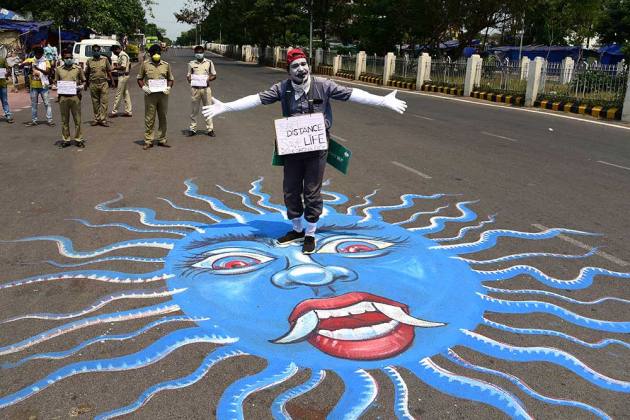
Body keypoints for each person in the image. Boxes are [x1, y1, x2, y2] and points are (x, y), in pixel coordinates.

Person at [202, 48, 407, 254]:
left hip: (317, 146)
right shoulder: (282, 89)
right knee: (290, 189)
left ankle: (310, 233)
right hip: (291, 146)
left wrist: (382, 101)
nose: (301, 69)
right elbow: (256, 99)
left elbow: (353, 94)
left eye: (303, 64)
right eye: (295, 66)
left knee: (311, 190)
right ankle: (297, 229)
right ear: (288, 70)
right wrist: (227, 107)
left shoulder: (323, 86)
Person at [137, 44, 174, 150]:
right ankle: (148, 140)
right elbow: (139, 78)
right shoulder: (145, 65)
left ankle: (162, 139)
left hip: (163, 95)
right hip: (150, 95)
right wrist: (143, 87)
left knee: (163, 117)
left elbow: (171, 79)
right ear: (151, 54)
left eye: (158, 53)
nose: (156, 55)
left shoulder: (166, 65)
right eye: (154, 53)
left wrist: (169, 87)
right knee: (149, 118)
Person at [55, 48, 86, 148]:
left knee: (77, 120)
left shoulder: (78, 69)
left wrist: (81, 86)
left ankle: (78, 139)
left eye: (70, 57)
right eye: (67, 58)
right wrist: (54, 86)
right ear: (63, 59)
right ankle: (66, 139)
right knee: (64, 120)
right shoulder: (58, 69)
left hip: (75, 97)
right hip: (63, 98)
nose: (69, 59)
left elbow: (84, 81)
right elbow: (56, 82)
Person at [186, 45, 216, 137]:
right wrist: (189, 79)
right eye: (197, 52)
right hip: (195, 89)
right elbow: (189, 76)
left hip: (206, 89)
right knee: (194, 110)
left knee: (208, 109)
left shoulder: (209, 62)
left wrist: (208, 79)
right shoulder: (191, 64)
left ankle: (210, 129)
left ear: (203, 52)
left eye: (200, 52)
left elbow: (214, 75)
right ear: (194, 53)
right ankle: (193, 129)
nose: (199, 54)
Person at [20, 46, 54, 126]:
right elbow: (20, 66)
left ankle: (50, 120)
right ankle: (34, 120)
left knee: (47, 103)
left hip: (43, 86)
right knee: (34, 104)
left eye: (40, 54)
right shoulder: (31, 60)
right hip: (33, 86)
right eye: (37, 54)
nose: (38, 56)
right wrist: (25, 63)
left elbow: (47, 72)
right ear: (34, 54)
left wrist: (38, 68)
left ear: (42, 54)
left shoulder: (46, 61)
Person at [84, 44, 113, 126]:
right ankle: (97, 119)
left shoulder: (105, 59)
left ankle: (103, 119)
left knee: (104, 102)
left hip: (103, 83)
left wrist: (112, 81)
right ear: (92, 52)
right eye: (95, 51)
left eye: (98, 50)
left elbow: (109, 71)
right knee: (95, 102)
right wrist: (86, 83)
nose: (96, 52)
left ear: (100, 51)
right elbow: (87, 72)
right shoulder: (89, 61)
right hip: (93, 83)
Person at [109, 44, 132, 118]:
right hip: (124, 75)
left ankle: (114, 111)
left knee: (118, 94)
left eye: (114, 51)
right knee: (125, 94)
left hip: (123, 76)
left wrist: (114, 68)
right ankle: (128, 111)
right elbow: (129, 65)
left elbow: (123, 66)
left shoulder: (123, 55)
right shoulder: (122, 55)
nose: (114, 53)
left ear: (118, 49)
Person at [0, 55, 14, 123]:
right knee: (5, 101)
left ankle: (8, 116)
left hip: (2, 84)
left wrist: (7, 73)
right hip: (3, 84)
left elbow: (8, 70)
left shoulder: (2, 59)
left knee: (5, 101)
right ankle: (8, 115)